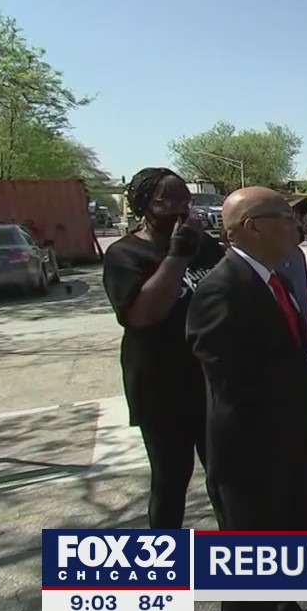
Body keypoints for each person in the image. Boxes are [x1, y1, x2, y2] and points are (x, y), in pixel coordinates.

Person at [187, 187, 307, 611]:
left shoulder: (272, 278)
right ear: (251, 227)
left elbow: (282, 349)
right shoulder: (219, 290)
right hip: (250, 455)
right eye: (283, 216)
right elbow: (234, 378)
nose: (295, 223)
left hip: (291, 441)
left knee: (290, 539)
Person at [102, 168, 225, 529]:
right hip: (160, 388)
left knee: (224, 476)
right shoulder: (125, 254)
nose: (178, 208)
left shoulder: (204, 245)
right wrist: (177, 255)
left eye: (184, 200)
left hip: (208, 381)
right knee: (172, 479)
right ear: (143, 205)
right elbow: (143, 314)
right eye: (166, 201)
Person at [278, 197, 307, 317]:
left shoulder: (297, 255)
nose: (300, 222)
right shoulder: (263, 259)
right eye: (293, 217)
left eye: (300, 216)